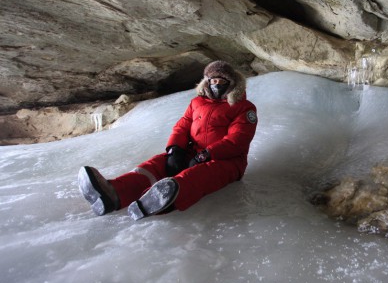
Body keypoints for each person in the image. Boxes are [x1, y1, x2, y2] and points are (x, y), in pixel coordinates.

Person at [78, 60, 258, 220]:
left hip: (227, 161)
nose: (217, 85)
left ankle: (160, 201)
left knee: (195, 176)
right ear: (207, 82)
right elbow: (182, 126)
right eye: (213, 81)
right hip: (193, 152)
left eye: (222, 81)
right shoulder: (197, 103)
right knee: (156, 164)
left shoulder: (243, 108)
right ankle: (113, 193)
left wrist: (207, 154)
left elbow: (238, 140)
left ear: (231, 83)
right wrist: (175, 150)